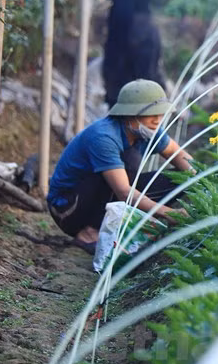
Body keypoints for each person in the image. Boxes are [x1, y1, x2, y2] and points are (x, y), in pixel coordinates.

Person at [47, 79, 194, 254]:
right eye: (151, 114)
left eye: (160, 114)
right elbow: (124, 192)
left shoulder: (149, 129)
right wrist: (170, 214)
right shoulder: (104, 137)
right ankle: (90, 232)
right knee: (130, 161)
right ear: (129, 114)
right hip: (69, 208)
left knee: (181, 179)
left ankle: (119, 226)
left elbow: (179, 156)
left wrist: (204, 181)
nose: (157, 120)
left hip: (112, 190)